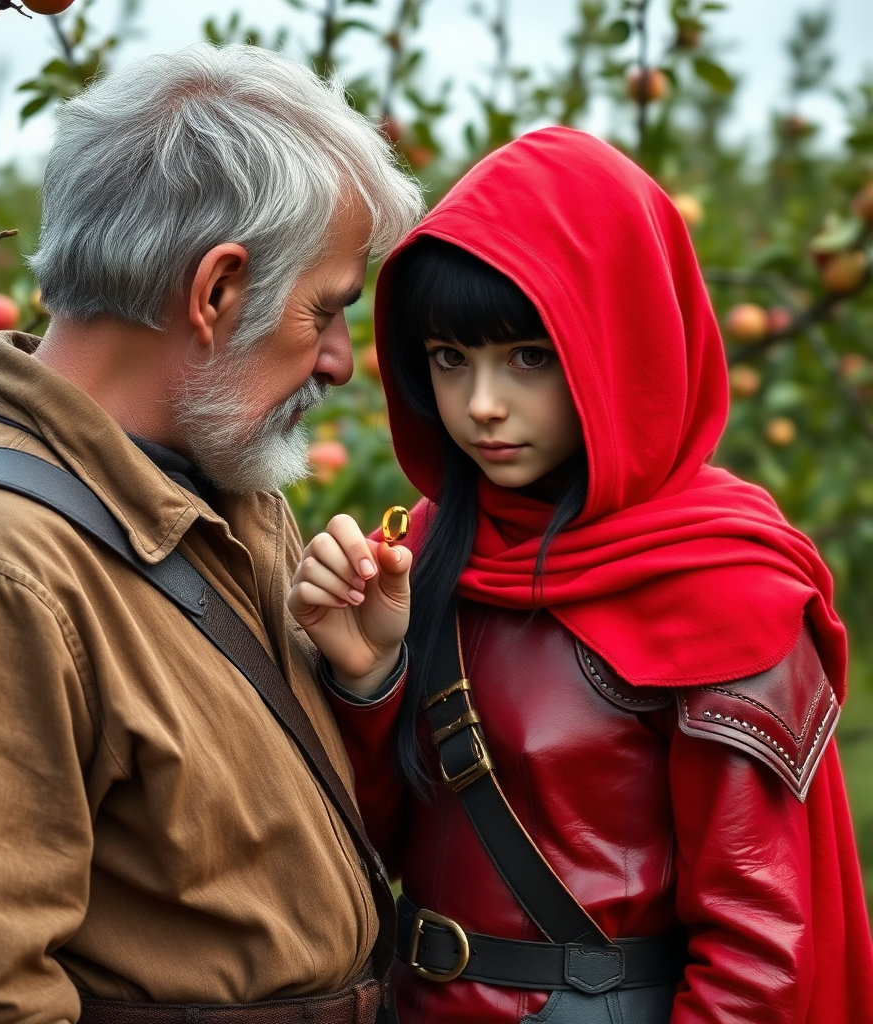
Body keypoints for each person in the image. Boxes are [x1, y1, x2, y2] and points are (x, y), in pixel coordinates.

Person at [0, 44, 423, 1023]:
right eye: (325, 310)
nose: (339, 361)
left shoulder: (232, 501)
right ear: (216, 292)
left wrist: (365, 680)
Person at [287, 126, 873, 1023]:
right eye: (451, 359)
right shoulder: (428, 552)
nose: (482, 406)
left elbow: (763, 962)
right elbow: (371, 851)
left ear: (619, 342)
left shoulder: (724, 589)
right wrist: (368, 679)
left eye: (530, 356)